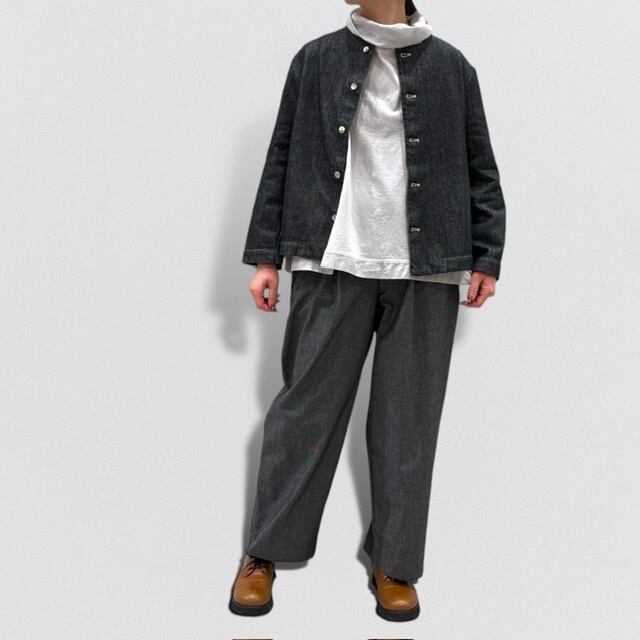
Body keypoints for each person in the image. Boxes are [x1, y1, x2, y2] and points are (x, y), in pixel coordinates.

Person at [230, 0, 506, 622]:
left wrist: (487, 253)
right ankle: (263, 553)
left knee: (409, 423)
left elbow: (479, 166)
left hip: (427, 265)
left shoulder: (453, 68)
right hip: (331, 258)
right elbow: (281, 155)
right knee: (302, 413)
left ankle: (395, 564)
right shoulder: (316, 60)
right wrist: (266, 256)